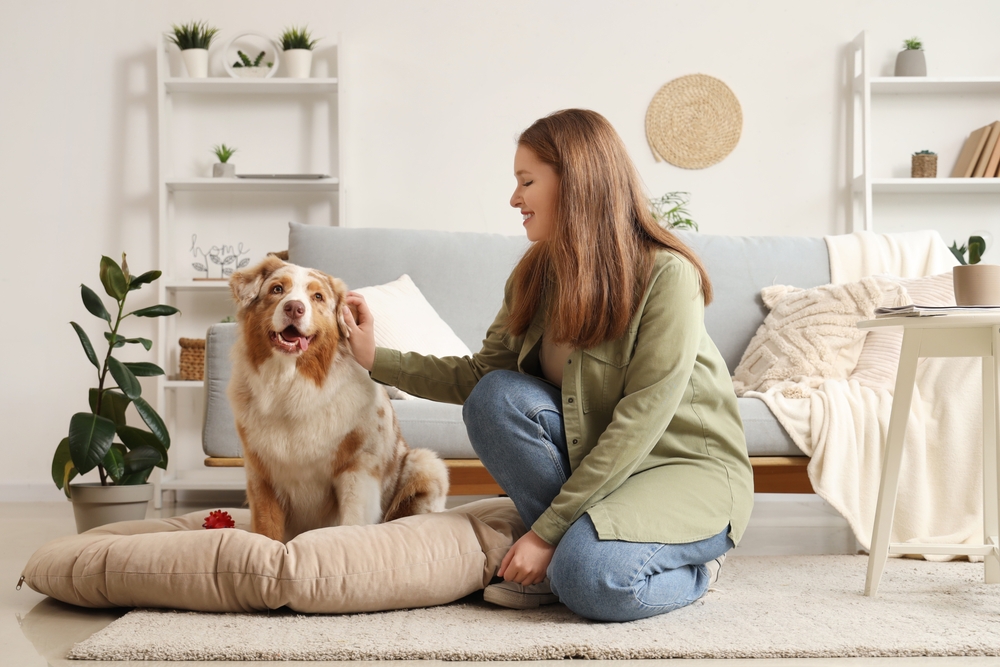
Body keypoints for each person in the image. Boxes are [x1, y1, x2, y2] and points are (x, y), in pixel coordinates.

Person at [342, 108, 754, 622]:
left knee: (592, 581)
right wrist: (373, 357)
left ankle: (696, 568)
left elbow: (640, 422)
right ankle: (567, 557)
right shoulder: (535, 275)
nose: (514, 199)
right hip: (602, 472)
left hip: (680, 470)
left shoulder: (667, 275)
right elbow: (478, 378)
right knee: (495, 396)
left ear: (576, 182)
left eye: (526, 181)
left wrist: (542, 533)